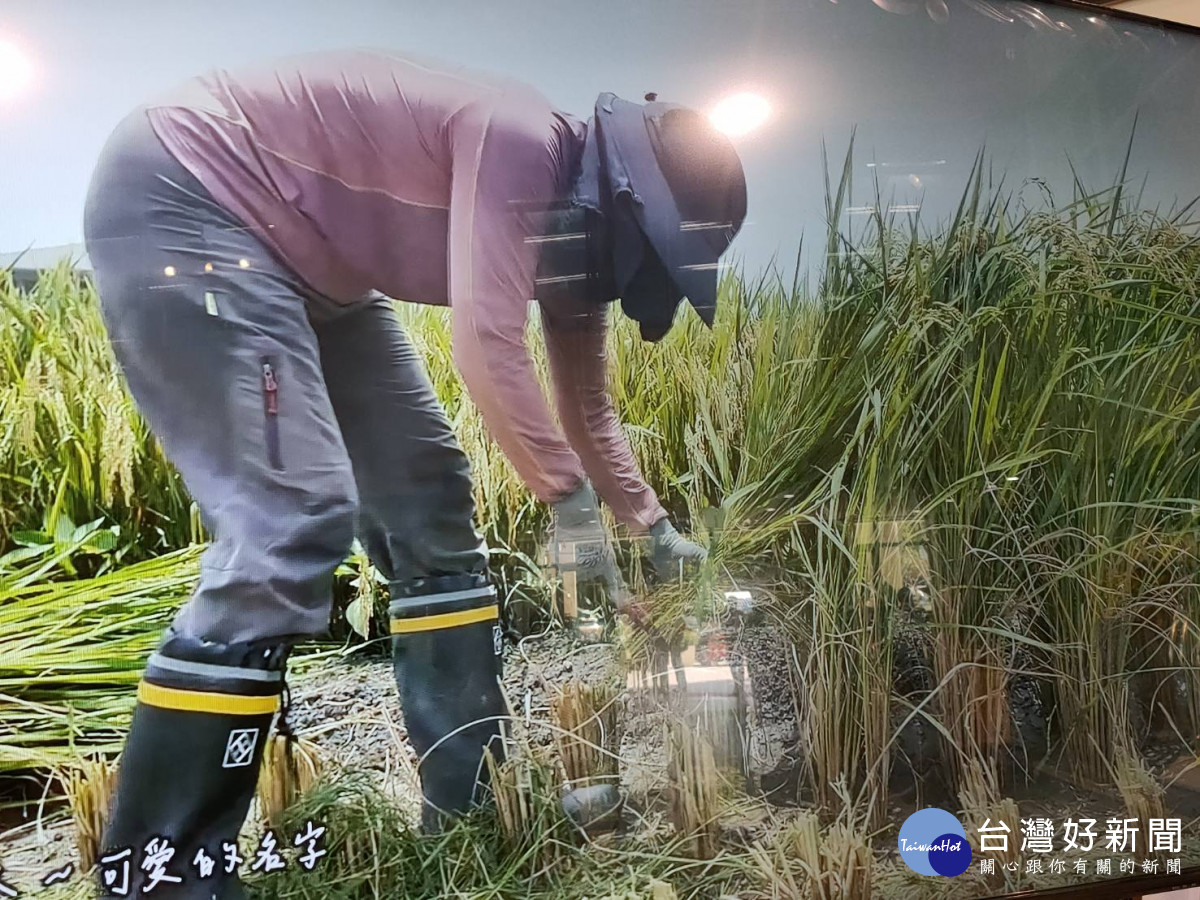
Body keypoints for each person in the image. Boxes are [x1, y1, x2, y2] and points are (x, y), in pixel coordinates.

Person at [83, 48, 746, 897]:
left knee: (428, 492)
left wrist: (654, 529)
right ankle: (160, 878)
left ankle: (470, 814)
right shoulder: (520, 142)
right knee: (294, 518)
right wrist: (573, 513)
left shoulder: (577, 252)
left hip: (318, 267)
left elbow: (589, 411)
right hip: (192, 196)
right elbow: (486, 350)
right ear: (627, 208)